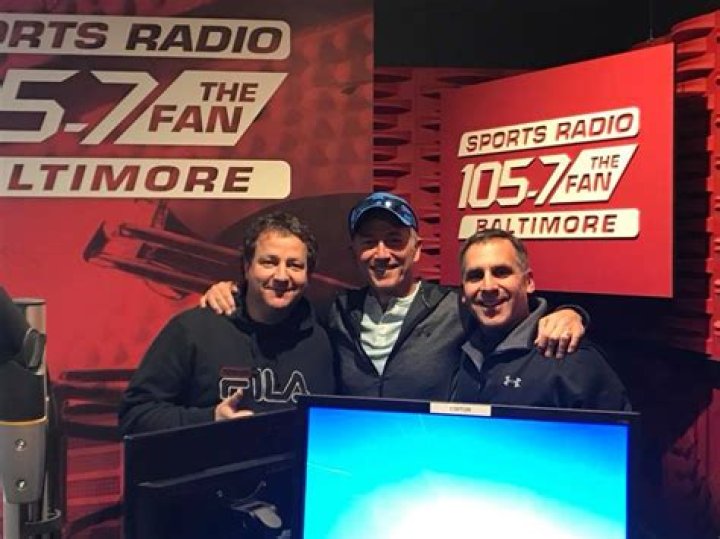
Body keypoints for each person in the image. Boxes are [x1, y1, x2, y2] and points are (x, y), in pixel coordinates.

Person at [201, 192, 586, 401]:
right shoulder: (335, 309)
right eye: (369, 242)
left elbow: (510, 313)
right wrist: (234, 290)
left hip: (431, 459)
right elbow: (277, 305)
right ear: (354, 252)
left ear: (417, 250)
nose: (382, 253)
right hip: (356, 459)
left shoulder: (455, 306)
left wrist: (573, 313)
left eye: (395, 240)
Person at [118, 212, 336, 435]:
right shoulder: (193, 330)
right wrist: (210, 419)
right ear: (247, 267)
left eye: (294, 265)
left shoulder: (322, 343)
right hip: (210, 458)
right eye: (269, 262)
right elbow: (135, 415)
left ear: (308, 275)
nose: (281, 276)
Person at [451, 228, 630, 410]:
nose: (488, 286)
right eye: (475, 276)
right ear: (463, 292)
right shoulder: (457, 350)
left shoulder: (571, 358)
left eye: (501, 272)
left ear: (528, 282)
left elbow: (614, 427)